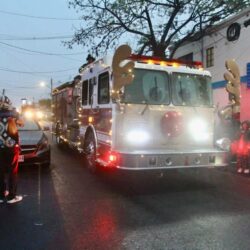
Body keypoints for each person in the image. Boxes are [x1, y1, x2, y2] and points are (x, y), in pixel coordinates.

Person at [0, 95, 24, 204]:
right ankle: (11, 197)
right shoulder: (14, 114)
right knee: (12, 171)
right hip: (11, 148)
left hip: (0, 147)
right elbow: (22, 123)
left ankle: (1, 196)